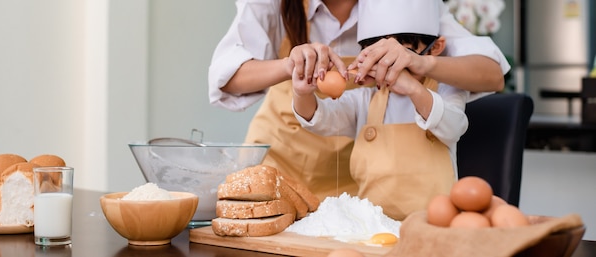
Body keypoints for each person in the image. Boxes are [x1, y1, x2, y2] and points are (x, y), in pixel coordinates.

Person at [208, 0, 510, 201]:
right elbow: (227, 76)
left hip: (358, 183)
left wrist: (421, 65)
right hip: (279, 161)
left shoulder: (404, 7)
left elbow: (492, 73)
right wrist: (291, 67)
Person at [292, 0, 466, 220]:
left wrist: (413, 89)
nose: (387, 65)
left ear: (436, 48)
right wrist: (302, 93)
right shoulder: (366, 99)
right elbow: (320, 118)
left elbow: (454, 127)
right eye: (377, 57)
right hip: (373, 229)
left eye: (401, 55)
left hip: (432, 225)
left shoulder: (446, 89)